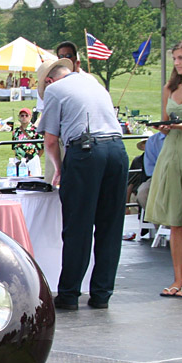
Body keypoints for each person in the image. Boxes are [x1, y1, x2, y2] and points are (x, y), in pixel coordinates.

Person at [39, 58, 129, 310]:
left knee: (78, 225)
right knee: (110, 226)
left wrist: (58, 168)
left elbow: (51, 141)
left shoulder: (55, 91)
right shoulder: (94, 83)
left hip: (86, 151)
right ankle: (102, 293)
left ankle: (69, 294)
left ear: (49, 80)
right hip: (117, 150)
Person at [144, 39, 182, 298]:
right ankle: (178, 279)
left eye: (181, 58)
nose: (178, 63)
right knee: (175, 221)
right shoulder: (170, 88)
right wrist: (164, 126)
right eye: (175, 59)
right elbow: (166, 121)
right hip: (172, 154)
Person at [12, 107, 43, 175]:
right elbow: (14, 147)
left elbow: (41, 148)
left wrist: (34, 157)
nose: (24, 117)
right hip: (19, 160)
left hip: (32, 159)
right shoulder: (16, 131)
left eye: (26, 115)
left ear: (30, 117)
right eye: (22, 115)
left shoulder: (36, 131)